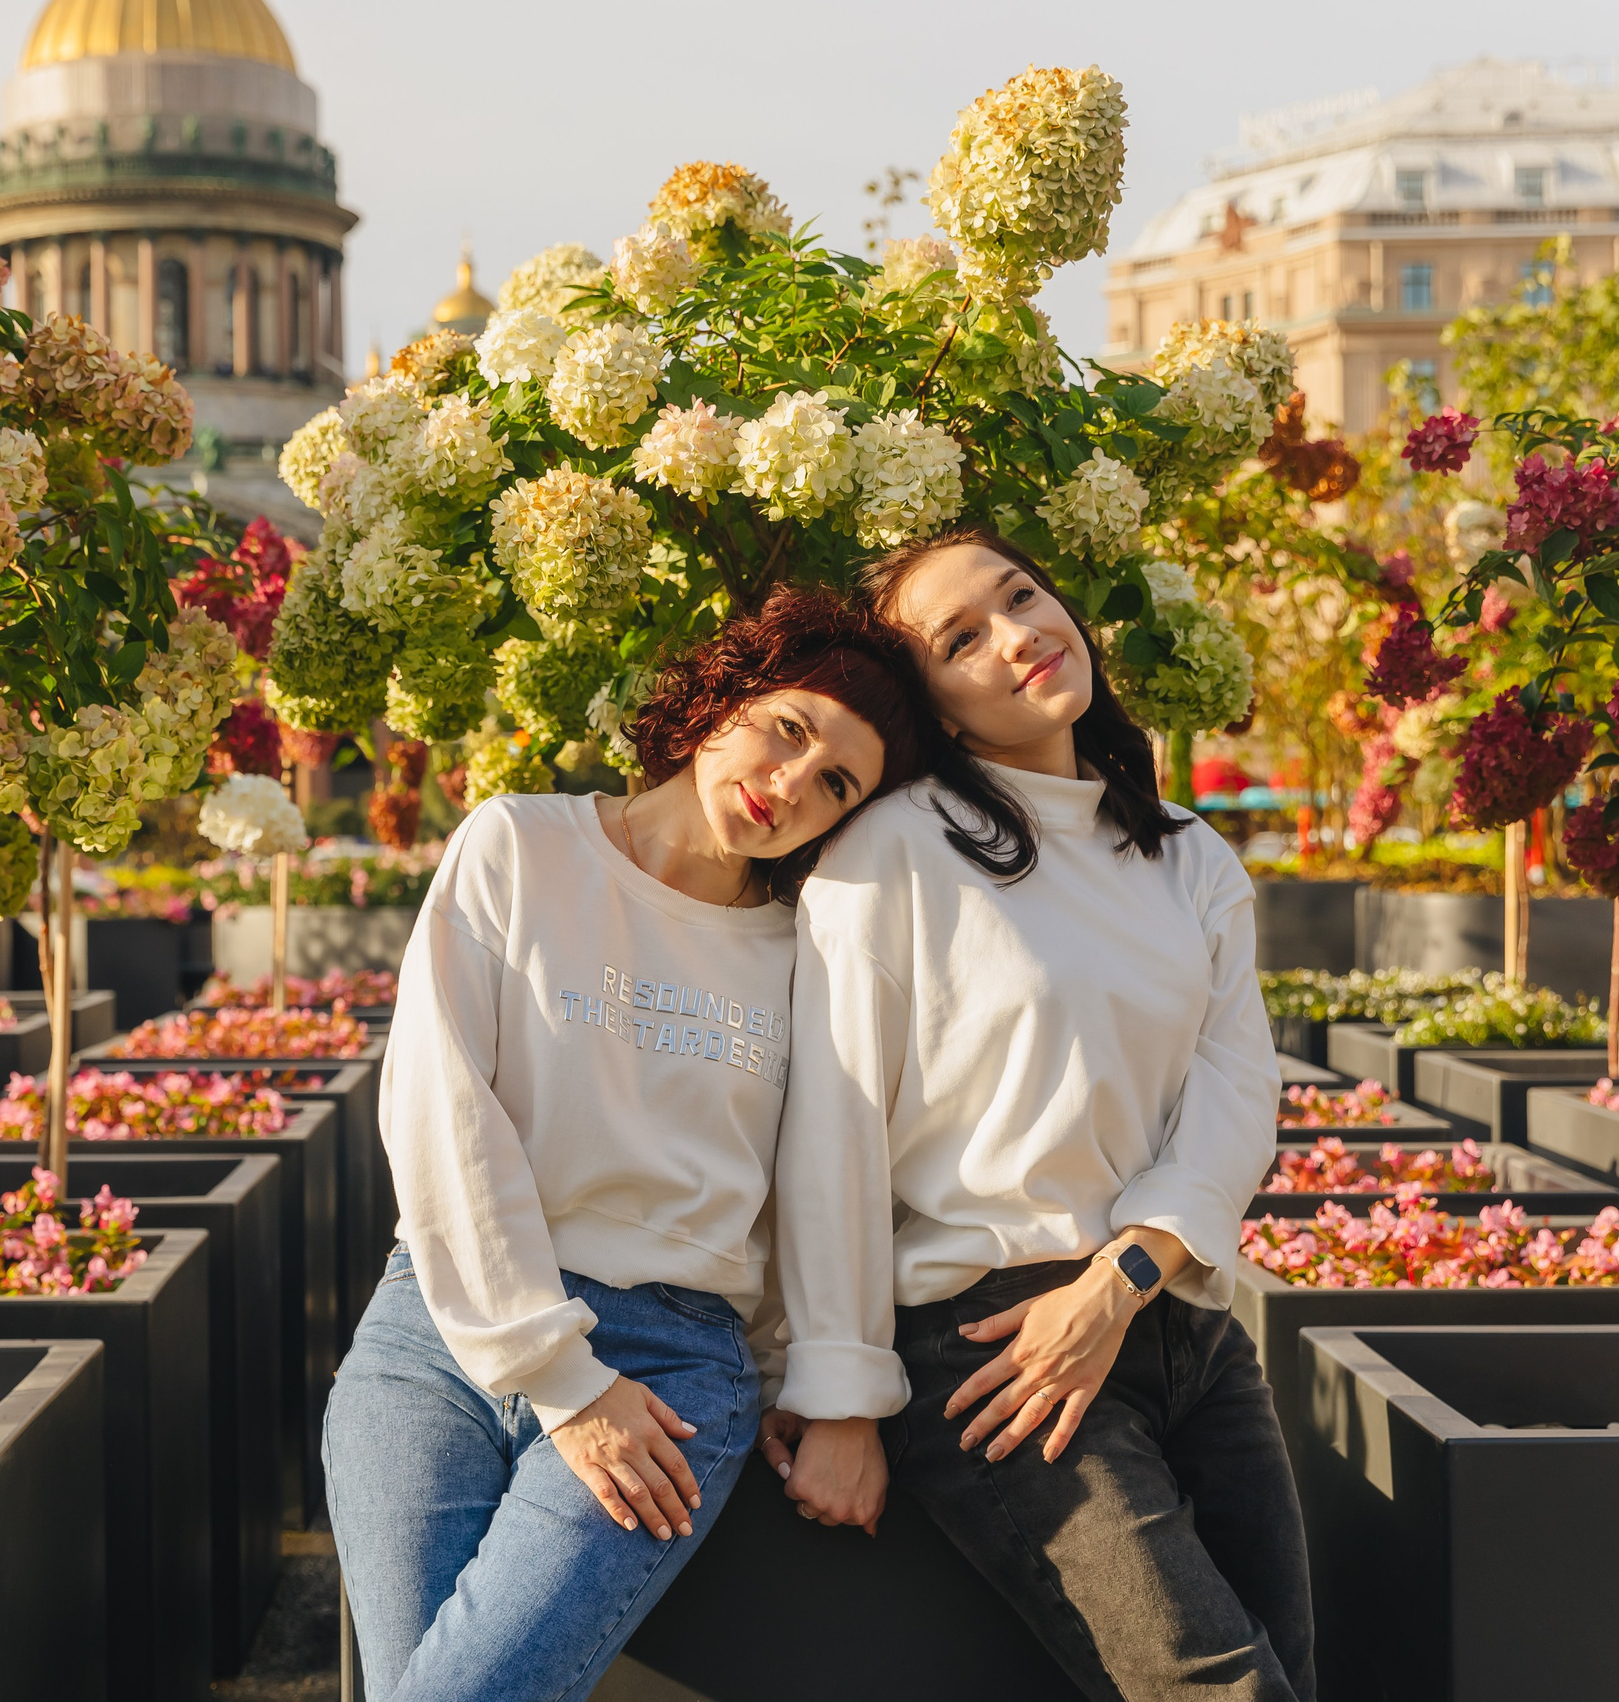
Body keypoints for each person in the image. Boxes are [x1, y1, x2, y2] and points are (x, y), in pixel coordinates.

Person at [326, 589, 929, 1702]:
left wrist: (817, 1385)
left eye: (838, 783)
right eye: (788, 728)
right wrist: (556, 1374)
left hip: (665, 1368)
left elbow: (818, 1182)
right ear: (726, 695)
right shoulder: (520, 844)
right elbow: (440, 1106)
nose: (794, 782)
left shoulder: (806, 952)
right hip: (437, 1333)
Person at [769, 528, 1311, 1700]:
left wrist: (1124, 1277)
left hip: (1178, 1321)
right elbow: (829, 1139)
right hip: (995, 1351)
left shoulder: (1188, 856)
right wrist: (839, 1400)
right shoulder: (888, 856)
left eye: (1020, 596)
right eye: (960, 639)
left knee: (1290, 1672)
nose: (1016, 637)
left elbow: (1234, 1091)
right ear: (935, 706)